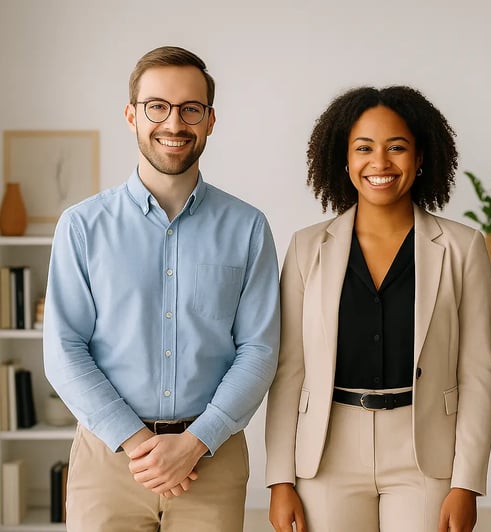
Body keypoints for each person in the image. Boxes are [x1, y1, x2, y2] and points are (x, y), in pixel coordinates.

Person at [43, 46, 280, 531]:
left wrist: (196, 441)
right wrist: (135, 442)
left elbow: (259, 348)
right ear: (132, 115)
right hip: (109, 460)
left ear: (210, 120)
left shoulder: (248, 227)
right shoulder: (81, 226)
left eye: (191, 109)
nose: (174, 123)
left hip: (211, 460)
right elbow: (63, 349)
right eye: (158, 107)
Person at [265, 86, 491, 532]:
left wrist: (467, 483)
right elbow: (288, 371)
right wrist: (280, 480)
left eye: (397, 147)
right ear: (345, 159)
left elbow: (479, 373)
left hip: (425, 452)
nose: (380, 163)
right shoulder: (306, 247)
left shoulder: (463, 247)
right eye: (364, 148)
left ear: (421, 156)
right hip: (327, 452)